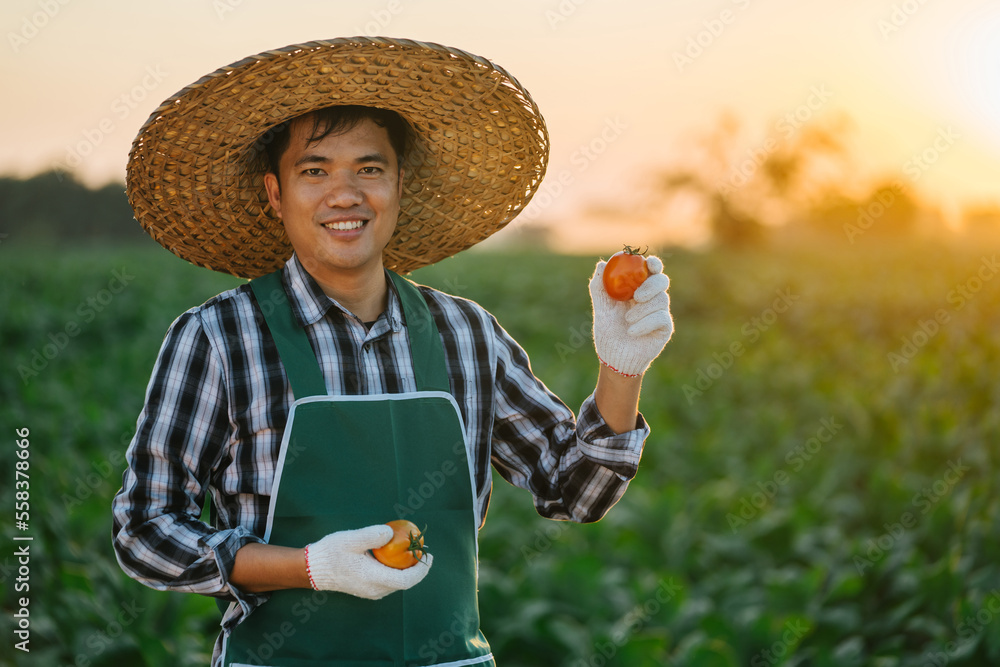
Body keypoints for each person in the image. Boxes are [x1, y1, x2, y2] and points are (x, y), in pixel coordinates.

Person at [112, 37, 673, 666]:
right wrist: (308, 567)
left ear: (400, 184)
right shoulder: (219, 338)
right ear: (275, 194)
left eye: (369, 169)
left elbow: (574, 491)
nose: (345, 194)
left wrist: (621, 367)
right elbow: (146, 529)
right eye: (315, 170)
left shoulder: (466, 334)